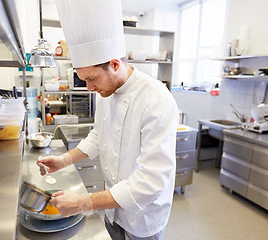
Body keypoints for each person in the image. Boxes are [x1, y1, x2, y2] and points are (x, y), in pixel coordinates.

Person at [37, 0, 179, 239]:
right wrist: (63, 160)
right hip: (112, 205)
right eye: (84, 81)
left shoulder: (156, 99)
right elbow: (98, 136)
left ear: (114, 64)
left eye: (92, 79)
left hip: (143, 216)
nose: (89, 87)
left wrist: (83, 203)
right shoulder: (105, 91)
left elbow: (151, 182)